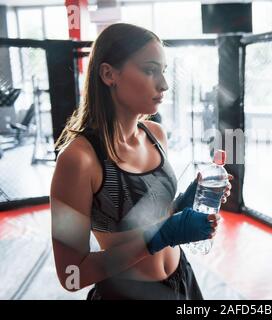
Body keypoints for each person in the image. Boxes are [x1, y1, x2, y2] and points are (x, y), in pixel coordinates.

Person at [50, 23, 233, 300]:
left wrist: (185, 202)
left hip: (181, 279)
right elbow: (71, 275)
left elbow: (154, 218)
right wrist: (160, 236)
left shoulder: (155, 134)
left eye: (163, 71)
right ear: (109, 74)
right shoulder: (77, 160)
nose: (164, 85)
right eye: (150, 70)